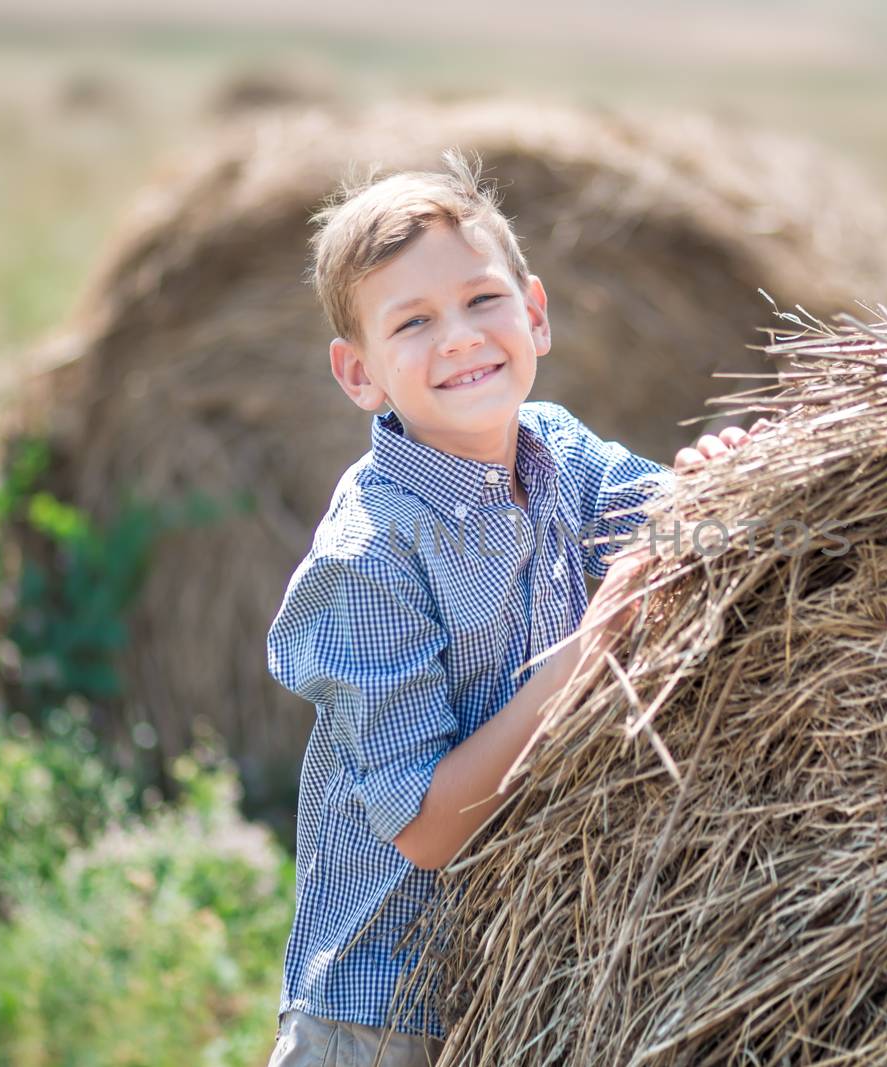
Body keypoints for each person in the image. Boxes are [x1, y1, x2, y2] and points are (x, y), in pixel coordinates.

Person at [263, 151, 752, 1067]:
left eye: (482, 301)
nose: (459, 337)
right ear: (357, 374)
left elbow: (673, 533)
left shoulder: (562, 455)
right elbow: (431, 827)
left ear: (535, 312)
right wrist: (588, 652)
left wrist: (725, 483)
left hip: (534, 986)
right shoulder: (372, 555)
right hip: (381, 1011)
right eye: (412, 321)